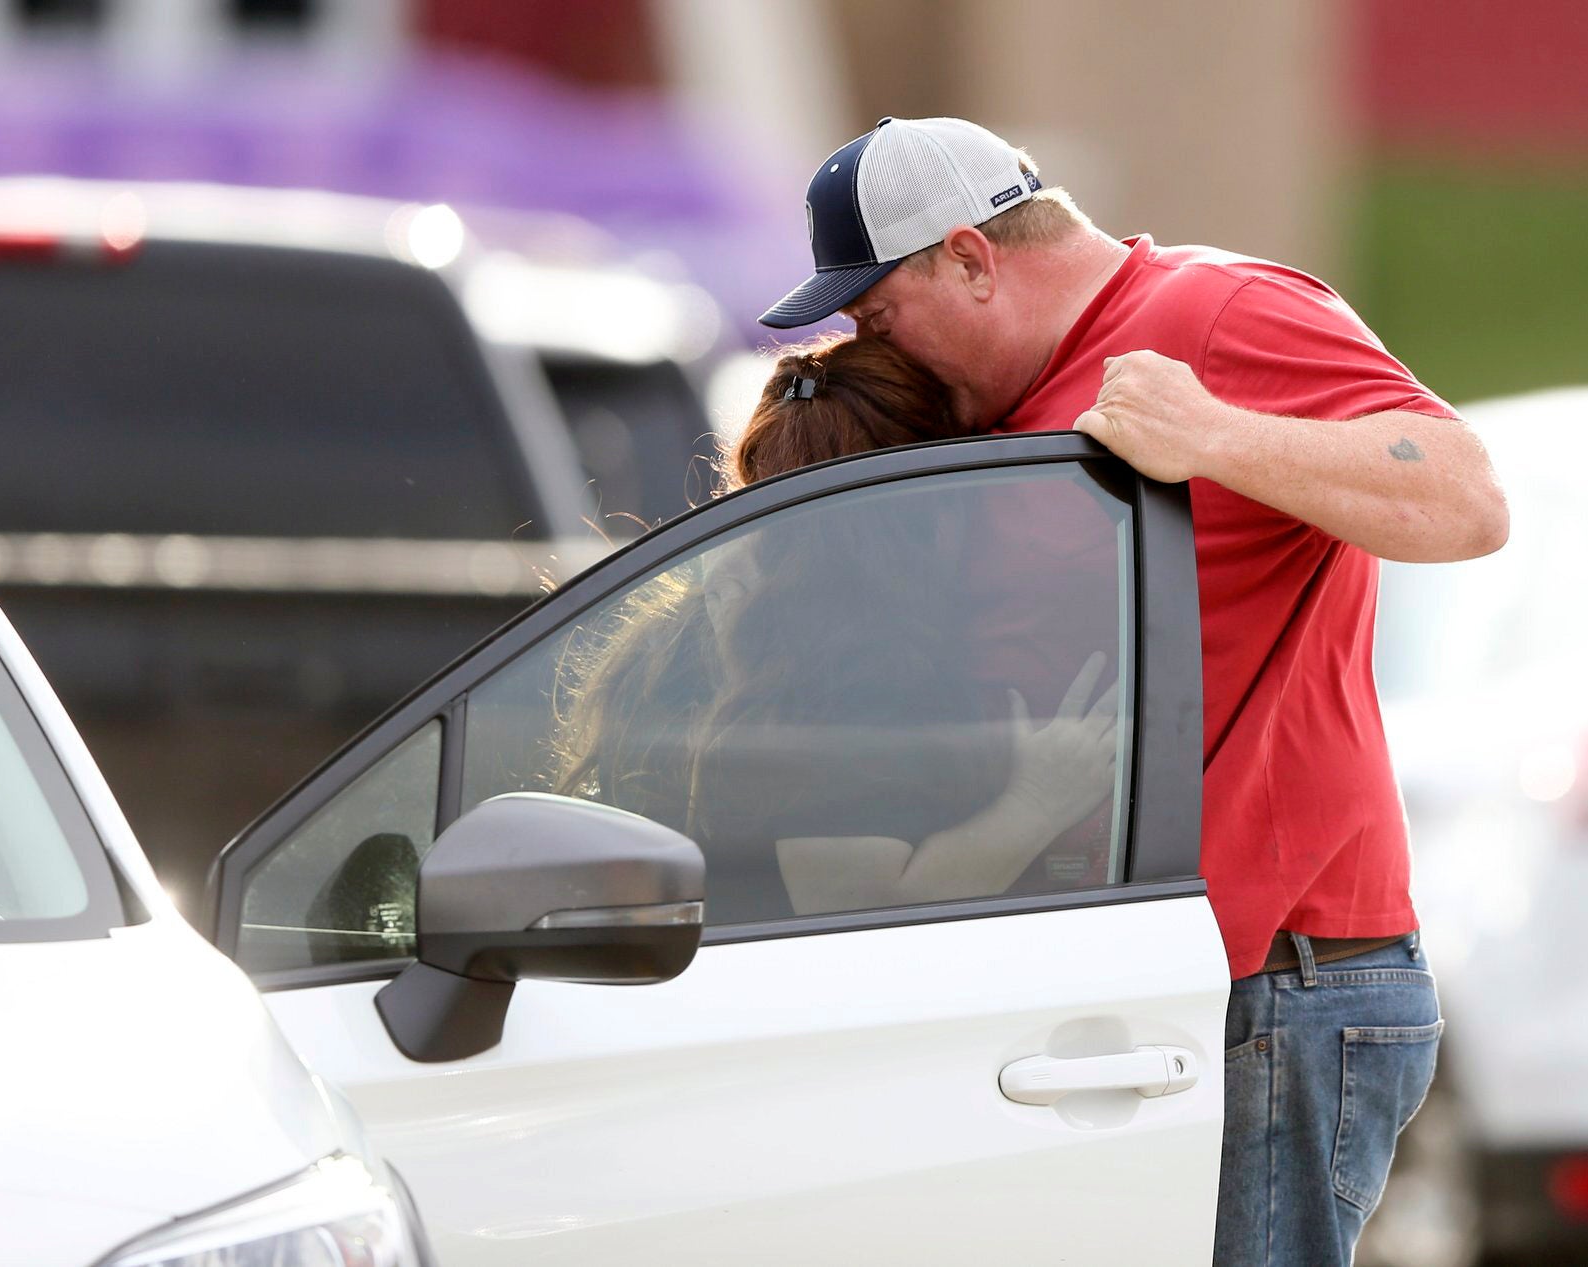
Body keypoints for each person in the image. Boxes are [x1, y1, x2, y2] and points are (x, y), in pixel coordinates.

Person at [759, 116, 1509, 1264]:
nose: (877, 345)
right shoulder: (1000, 397)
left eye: (876, 314)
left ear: (969, 258)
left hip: (1273, 986)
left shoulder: (1220, 314)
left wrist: (1215, 434)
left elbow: (1465, 500)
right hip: (1134, 991)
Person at [550, 334, 1121, 920]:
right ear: (931, 504)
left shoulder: (702, 626)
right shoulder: (840, 675)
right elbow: (858, 906)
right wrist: (1035, 802)